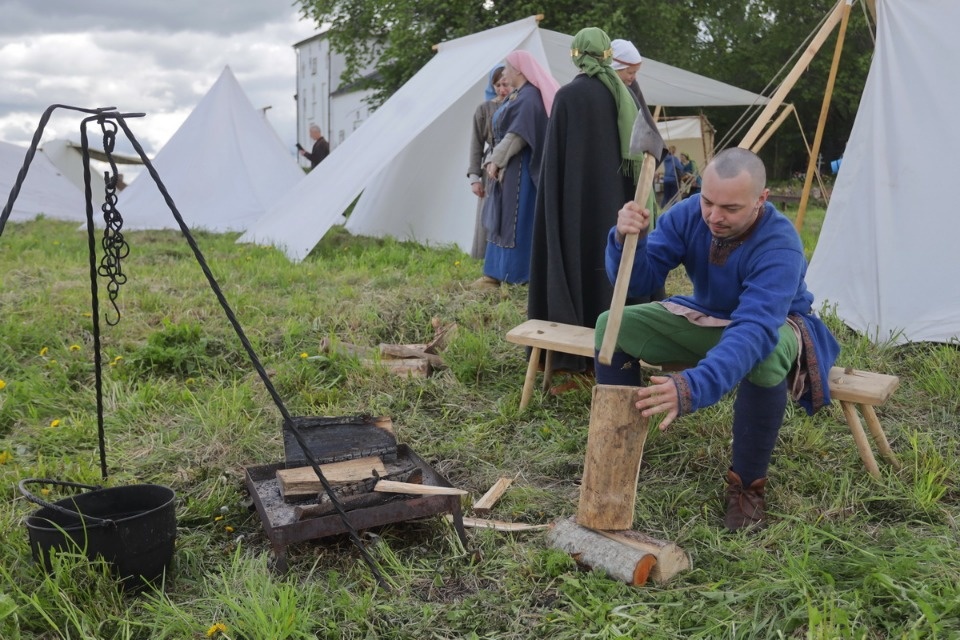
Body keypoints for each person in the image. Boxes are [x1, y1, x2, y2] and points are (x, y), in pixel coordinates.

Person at [593, 147, 840, 532]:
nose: (714, 216)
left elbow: (754, 329)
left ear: (761, 200)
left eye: (730, 208)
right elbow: (639, 282)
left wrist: (694, 386)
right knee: (614, 323)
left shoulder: (781, 245)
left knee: (767, 351)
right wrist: (630, 240)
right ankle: (617, 449)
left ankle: (747, 488)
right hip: (710, 317)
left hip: (776, 325)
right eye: (708, 201)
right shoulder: (689, 214)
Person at [528, 28, 666, 378]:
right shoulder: (626, 96)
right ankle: (624, 348)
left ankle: (570, 363)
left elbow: (554, 164)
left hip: (576, 209)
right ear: (608, 55)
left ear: (576, 54)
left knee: (576, 261)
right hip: (621, 209)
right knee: (615, 266)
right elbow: (653, 151)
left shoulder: (569, 97)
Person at [476, 50, 559, 287]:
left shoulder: (529, 97)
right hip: (510, 169)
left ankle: (518, 275)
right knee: (504, 219)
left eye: (509, 67)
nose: (505, 72)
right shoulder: (517, 95)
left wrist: (495, 160)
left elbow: (517, 135)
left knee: (516, 222)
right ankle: (495, 273)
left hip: (521, 170)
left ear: (519, 70)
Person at [467, 65, 511, 260]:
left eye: (506, 84)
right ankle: (484, 257)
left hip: (512, 164)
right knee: (488, 213)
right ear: (493, 86)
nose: (503, 89)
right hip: (490, 169)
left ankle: (505, 257)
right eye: (498, 85)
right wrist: (475, 178)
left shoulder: (519, 105)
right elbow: (476, 145)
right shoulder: (484, 110)